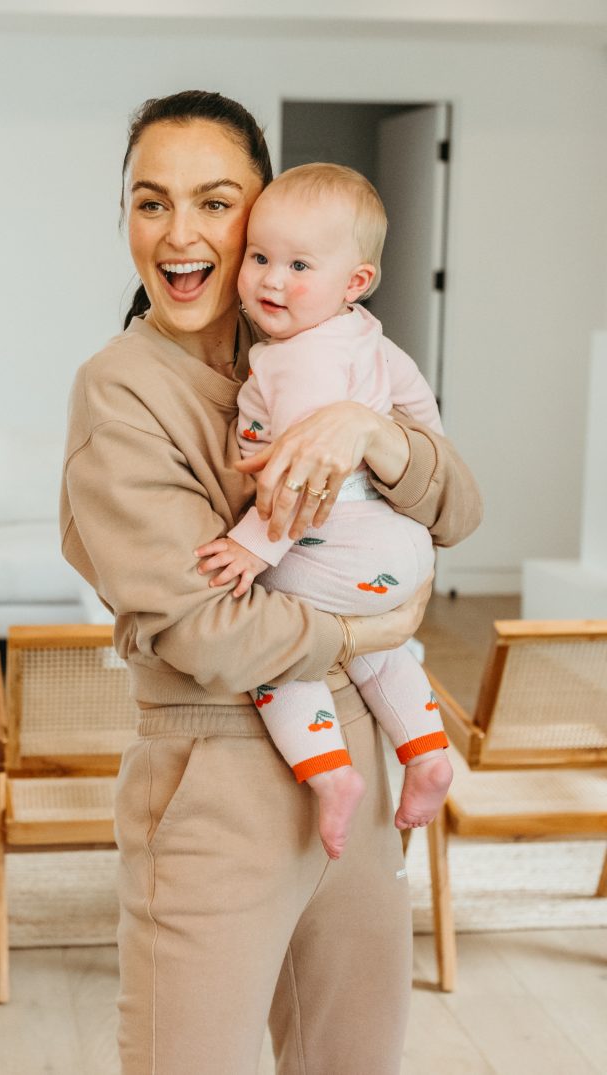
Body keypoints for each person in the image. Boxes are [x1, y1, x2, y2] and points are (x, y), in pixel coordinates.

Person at [60, 89, 482, 1075]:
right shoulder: (121, 391)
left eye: (215, 202)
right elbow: (204, 627)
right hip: (218, 783)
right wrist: (366, 635)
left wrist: (373, 435)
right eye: (150, 201)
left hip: (362, 773)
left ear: (264, 212)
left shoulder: (331, 346)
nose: (179, 233)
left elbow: (458, 509)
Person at [194, 163, 455, 861]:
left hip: (335, 541)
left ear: (354, 281)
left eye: (298, 264)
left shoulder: (295, 362)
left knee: (272, 646)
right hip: (397, 545)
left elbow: (301, 481)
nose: (270, 280)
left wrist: (255, 547)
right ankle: (426, 754)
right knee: (382, 645)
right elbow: (424, 416)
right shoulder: (366, 334)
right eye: (259, 257)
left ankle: (331, 773)